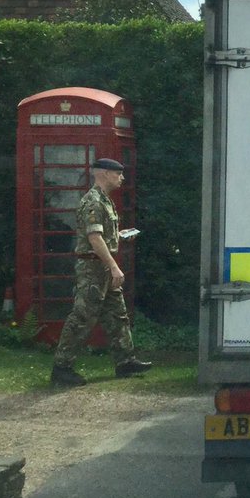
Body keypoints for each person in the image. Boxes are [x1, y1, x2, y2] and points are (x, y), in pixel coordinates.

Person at [50, 158, 151, 386]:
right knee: (82, 317)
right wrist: (114, 266)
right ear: (105, 174)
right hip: (93, 268)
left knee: (117, 314)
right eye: (118, 174)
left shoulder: (105, 201)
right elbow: (94, 238)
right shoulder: (94, 202)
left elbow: (102, 236)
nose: (122, 178)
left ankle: (125, 361)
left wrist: (120, 235)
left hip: (102, 265)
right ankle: (61, 369)